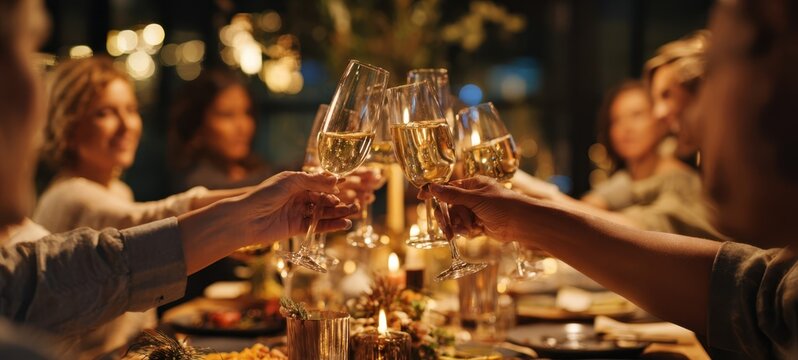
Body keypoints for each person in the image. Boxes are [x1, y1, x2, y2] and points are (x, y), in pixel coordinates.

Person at [421, 0, 798, 357]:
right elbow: (747, 296)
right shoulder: (784, 292)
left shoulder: (676, 179)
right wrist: (520, 218)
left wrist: (524, 212)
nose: (681, 117)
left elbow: (739, 293)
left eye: (713, 79)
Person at [0, 0, 358, 358]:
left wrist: (265, 204)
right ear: (66, 125)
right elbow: (142, 226)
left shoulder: (115, 189)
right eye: (105, 113)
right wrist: (261, 203)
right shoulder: (70, 195)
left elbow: (114, 261)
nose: (126, 125)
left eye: (130, 109)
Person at [514, 80, 724, 239]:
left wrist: (540, 191)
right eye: (616, 120)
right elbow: (591, 205)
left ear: (661, 120)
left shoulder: (680, 181)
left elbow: (638, 230)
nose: (626, 128)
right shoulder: (630, 178)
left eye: (637, 115)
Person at [168, 68, 271, 192]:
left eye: (247, 112)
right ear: (198, 125)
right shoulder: (198, 186)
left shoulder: (254, 168)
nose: (243, 126)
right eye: (227, 115)